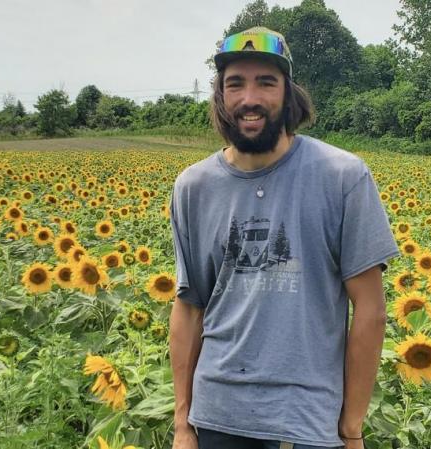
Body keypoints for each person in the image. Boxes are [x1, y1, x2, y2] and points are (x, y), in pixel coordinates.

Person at [169, 26, 400, 449]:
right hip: (219, 413)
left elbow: (370, 310)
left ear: (288, 92)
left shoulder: (342, 177)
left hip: (310, 418)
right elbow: (188, 308)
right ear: (220, 94)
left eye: (266, 82)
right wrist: (183, 423)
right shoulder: (194, 187)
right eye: (235, 83)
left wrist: (352, 427)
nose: (249, 98)